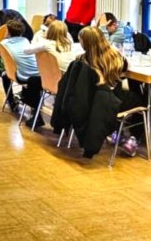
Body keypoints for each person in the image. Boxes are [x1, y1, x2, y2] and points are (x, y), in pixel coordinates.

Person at [52, 26, 129, 157]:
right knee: (136, 97)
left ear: (85, 43)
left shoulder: (81, 61)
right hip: (109, 100)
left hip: (86, 102)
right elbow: (124, 74)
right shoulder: (117, 57)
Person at [0, 20, 42, 123]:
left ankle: (11, 102)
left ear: (8, 31)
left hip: (22, 77)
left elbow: (5, 62)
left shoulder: (3, 44)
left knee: (5, 75)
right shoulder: (25, 40)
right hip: (39, 75)